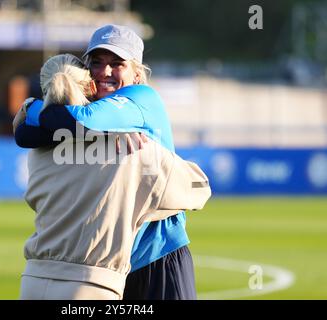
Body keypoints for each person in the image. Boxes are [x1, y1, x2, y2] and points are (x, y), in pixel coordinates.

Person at [14, 24, 202, 300]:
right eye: (97, 63)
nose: (104, 72)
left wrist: (33, 108)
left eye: (117, 64)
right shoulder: (89, 110)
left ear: (137, 72)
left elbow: (79, 120)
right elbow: (25, 135)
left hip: (155, 254)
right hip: (108, 266)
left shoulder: (142, 97)